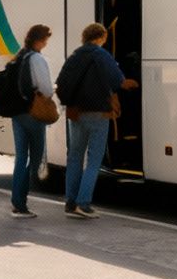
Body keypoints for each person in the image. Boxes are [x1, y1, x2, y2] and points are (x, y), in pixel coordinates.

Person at [54, 22, 135, 219]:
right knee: (93, 160)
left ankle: (70, 202)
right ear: (101, 37)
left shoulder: (74, 56)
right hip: (98, 112)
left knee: (74, 157)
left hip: (75, 113)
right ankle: (83, 204)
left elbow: (61, 82)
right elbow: (117, 80)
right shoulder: (101, 55)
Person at [7, 24, 54, 218]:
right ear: (38, 40)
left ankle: (17, 203)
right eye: (44, 40)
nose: (45, 43)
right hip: (33, 114)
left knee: (20, 157)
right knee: (35, 158)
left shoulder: (19, 56)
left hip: (17, 113)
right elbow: (47, 89)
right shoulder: (37, 59)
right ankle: (21, 203)